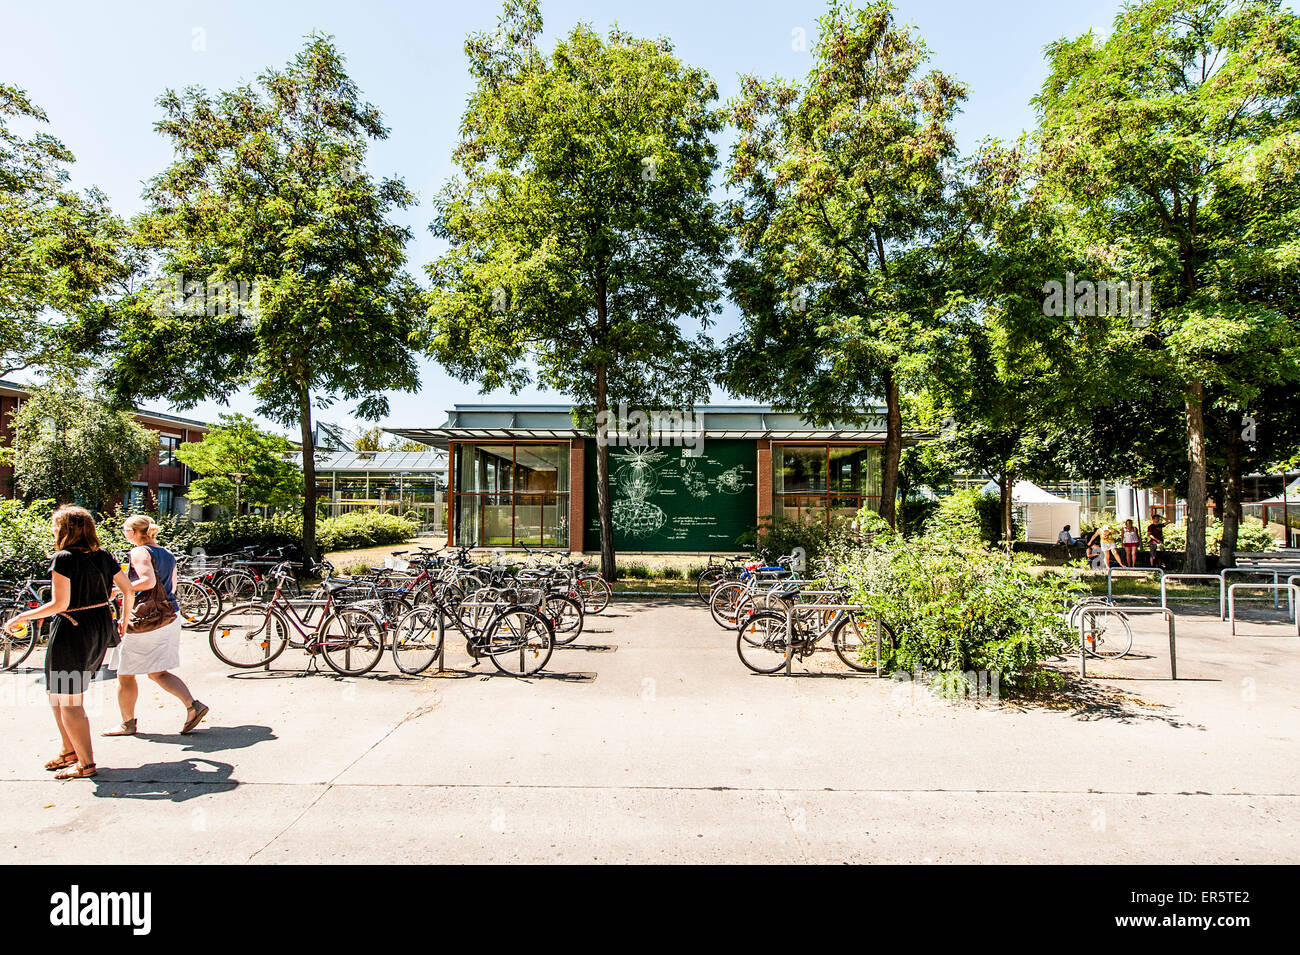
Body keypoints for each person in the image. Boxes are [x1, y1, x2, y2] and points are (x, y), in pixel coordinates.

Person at [1, 505, 134, 780]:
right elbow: (128, 589)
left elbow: (59, 603)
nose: (53, 529)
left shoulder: (63, 558)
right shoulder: (103, 556)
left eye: (55, 525)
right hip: (99, 627)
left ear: (65, 530)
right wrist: (122, 620)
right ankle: (68, 750)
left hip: (73, 631)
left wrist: (22, 616)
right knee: (57, 693)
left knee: (70, 699)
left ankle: (86, 763)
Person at [103, 515, 208, 737]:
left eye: (125, 530)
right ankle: (193, 706)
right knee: (157, 672)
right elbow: (173, 584)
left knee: (125, 673)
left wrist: (119, 588)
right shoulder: (166, 553)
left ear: (133, 532)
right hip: (169, 614)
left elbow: (148, 581)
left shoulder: (140, 552)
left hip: (147, 619)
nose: (124, 533)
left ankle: (127, 723)